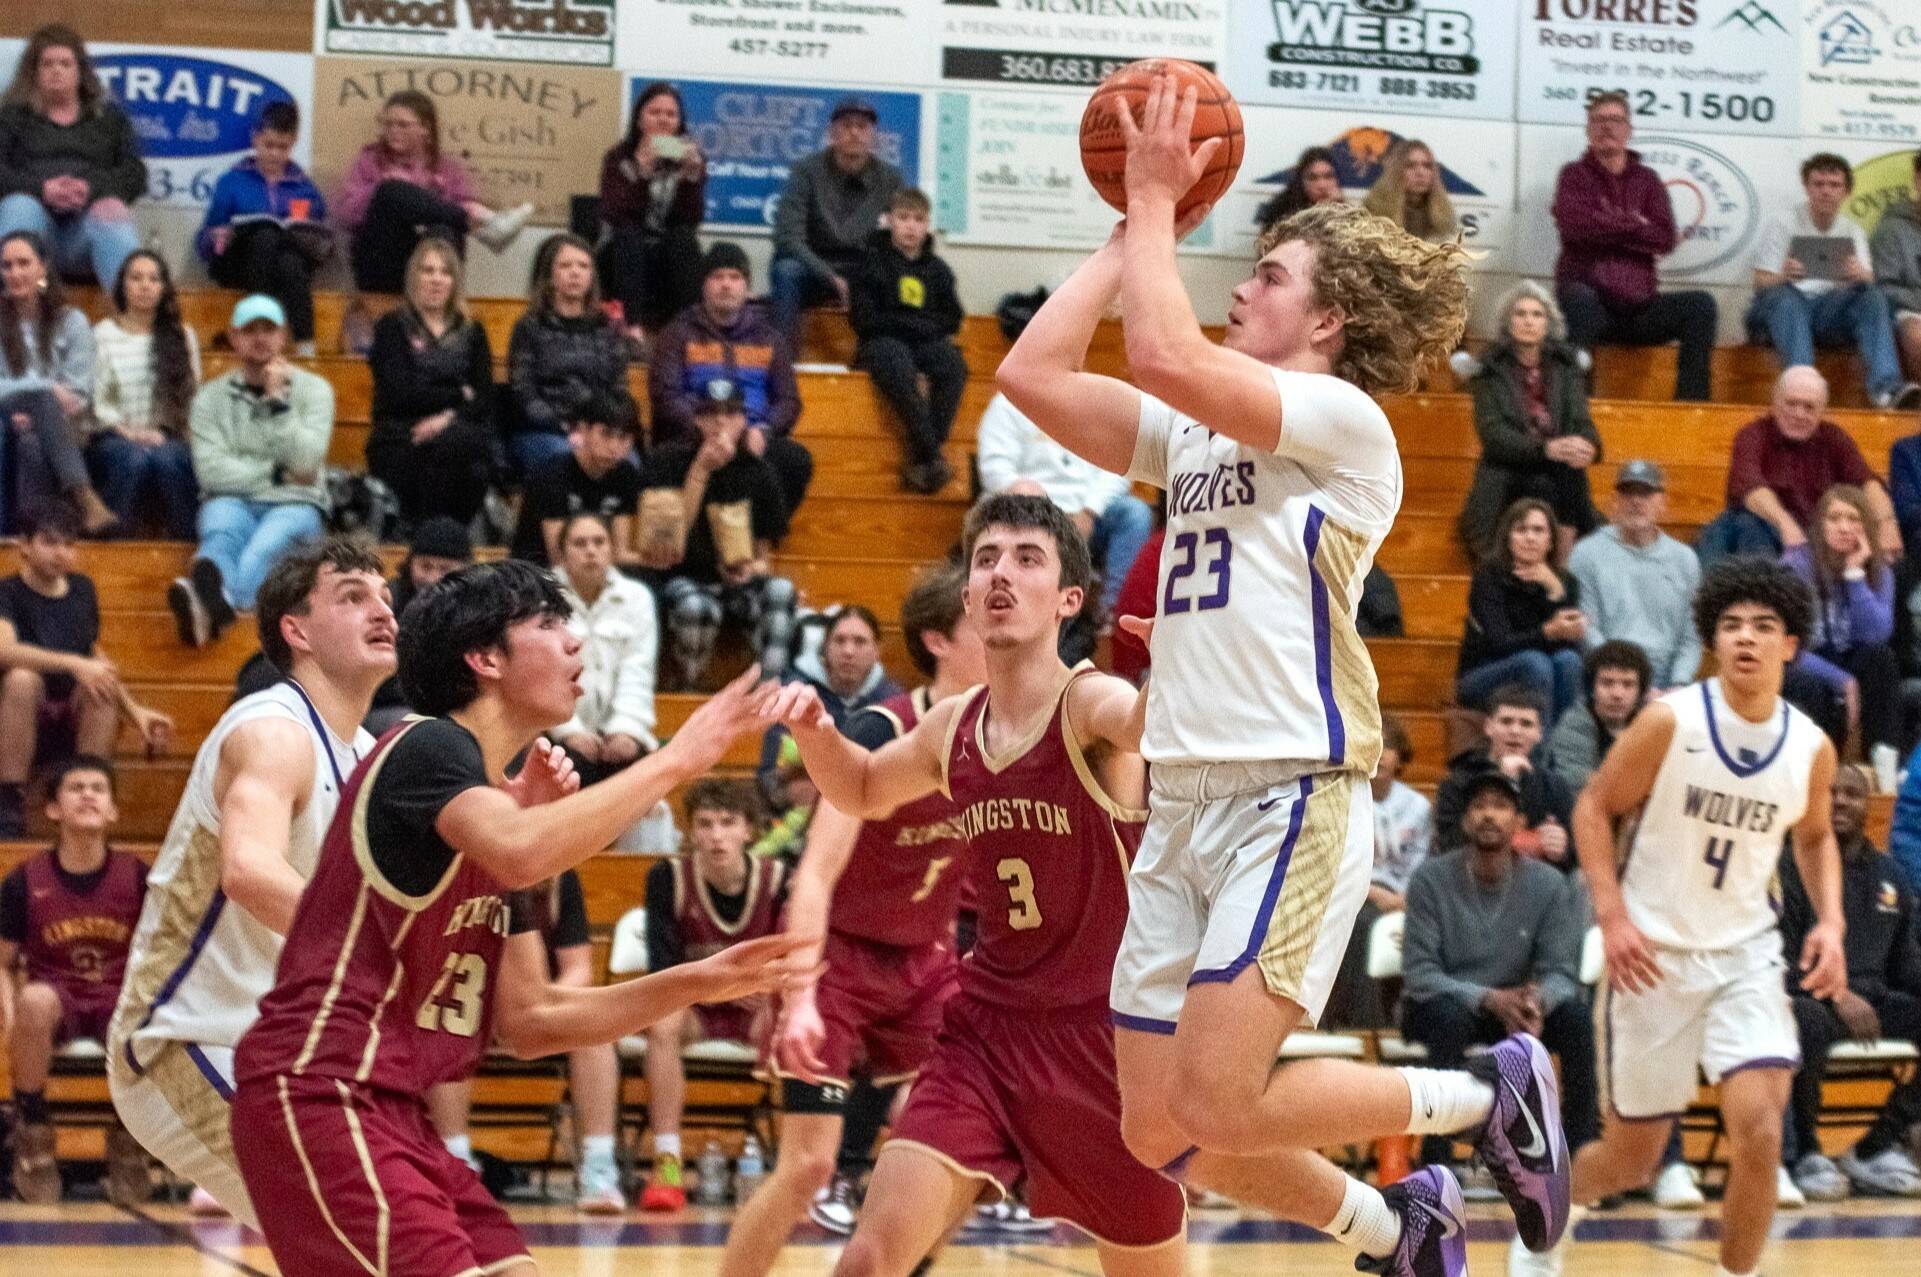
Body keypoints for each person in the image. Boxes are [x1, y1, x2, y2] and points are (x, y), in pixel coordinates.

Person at [999, 79, 1554, 1276]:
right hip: (1182, 799)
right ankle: (1393, 1224)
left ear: (1328, 320)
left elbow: (1159, 347)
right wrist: (1119, 230)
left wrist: (1157, 199)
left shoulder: (1343, 422)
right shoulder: (1198, 433)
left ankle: (1488, 1096)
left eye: (1271, 275)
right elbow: (1033, 378)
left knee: (1220, 1091)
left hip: (1288, 790)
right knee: (1155, 1126)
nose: (1243, 285)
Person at [224, 559, 799, 1275]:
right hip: (320, 1088)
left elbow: (533, 1018)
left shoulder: (492, 816)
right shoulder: (425, 745)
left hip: (397, 1111)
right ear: (485, 657)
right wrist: (676, 758)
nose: (575, 643)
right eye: (550, 624)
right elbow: (522, 849)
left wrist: (695, 979)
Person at [760, 493, 1189, 1276]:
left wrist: (1179, 663)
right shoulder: (952, 723)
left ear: (1069, 598)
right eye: (986, 558)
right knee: (867, 1259)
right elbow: (857, 787)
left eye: (1028, 559)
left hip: (1103, 1041)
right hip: (984, 1035)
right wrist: (815, 731)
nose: (1001, 573)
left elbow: (1145, 724)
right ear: (964, 593)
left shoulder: (1086, 701)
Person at [1509, 557, 1848, 1277]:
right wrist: (1612, 913)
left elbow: (1815, 836)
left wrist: (1830, 922)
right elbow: (1593, 806)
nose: (1745, 639)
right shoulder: (1671, 721)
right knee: (1630, 1156)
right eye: (1730, 625)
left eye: (1762, 626)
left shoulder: (1810, 746)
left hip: (1745, 954)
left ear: (1790, 643)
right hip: (1651, 956)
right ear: (1710, 639)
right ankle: (1545, 1207)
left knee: (1758, 1125)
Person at [108, 536, 394, 1222]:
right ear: (296, 630)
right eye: (353, 596)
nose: (383, 609)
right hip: (187, 1039)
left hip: (290, 1058)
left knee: (418, 1235)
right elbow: (249, 871)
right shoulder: (270, 731)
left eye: (385, 595)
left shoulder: (366, 756)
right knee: (361, 1231)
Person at [718, 563, 983, 1261]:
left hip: (925, 959)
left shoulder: (999, 730)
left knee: (970, 1153)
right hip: (837, 954)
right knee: (807, 1166)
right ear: (938, 641)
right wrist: (799, 996)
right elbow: (815, 874)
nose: (1002, 633)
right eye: (981, 623)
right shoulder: (878, 728)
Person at [1403, 771, 1598, 1176]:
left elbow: (1561, 972)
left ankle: (1579, 1161)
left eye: (1500, 806)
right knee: (1447, 1019)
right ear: (1464, 820)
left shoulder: (1550, 884)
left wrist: (1535, 1001)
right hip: (1446, 1007)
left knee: (1578, 1021)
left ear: (1519, 822)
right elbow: (1420, 974)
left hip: (1516, 1009)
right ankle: (1435, 1163)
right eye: (1479, 806)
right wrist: (1488, 998)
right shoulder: (1429, 880)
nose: (1489, 815)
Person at [424, 869, 627, 1212]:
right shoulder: (466, 872)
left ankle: (599, 1169)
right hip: (474, 1006)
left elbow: (579, 971)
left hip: (539, 1008)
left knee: (595, 1034)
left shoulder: (562, 880)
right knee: (447, 1023)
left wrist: (539, 1006)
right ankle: (454, 1164)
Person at [0, 755, 149, 1204]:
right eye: (76, 787)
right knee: (34, 1001)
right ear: (53, 809)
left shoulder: (140, 877)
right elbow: (3, 962)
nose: (88, 795)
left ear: (113, 811)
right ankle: (33, 1129)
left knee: (147, 1007)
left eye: (98, 789)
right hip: (57, 997)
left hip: (117, 995)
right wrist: (9, 1009)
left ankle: (131, 1141)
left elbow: (162, 955)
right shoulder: (24, 880)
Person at [636, 778, 789, 1211]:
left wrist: (769, 992)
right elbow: (662, 970)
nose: (716, 835)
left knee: (795, 1018)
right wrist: (724, 985)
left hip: (757, 1009)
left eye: (728, 823)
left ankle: (798, 1168)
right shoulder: (667, 878)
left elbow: (791, 956)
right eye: (705, 824)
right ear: (690, 831)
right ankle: (667, 1160)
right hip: (695, 1008)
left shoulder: (779, 878)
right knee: (661, 1022)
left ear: (749, 830)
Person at [1778, 763, 1921, 1201]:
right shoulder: (1792, 865)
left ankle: (1877, 1145)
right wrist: (1837, 994)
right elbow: (1780, 961)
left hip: (1875, 1000)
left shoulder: (1891, 876)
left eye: (1852, 794)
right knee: (1805, 1021)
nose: (1840, 800)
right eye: (1831, 792)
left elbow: (1908, 968)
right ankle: (1807, 1152)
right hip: (1811, 997)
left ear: (1869, 807)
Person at [167, 294, 331, 647]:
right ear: (234, 337)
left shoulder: (316, 391)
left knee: (262, 550)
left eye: (268, 329)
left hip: (296, 502)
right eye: (250, 330)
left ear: (283, 335)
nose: (260, 338)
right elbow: (211, 473)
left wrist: (279, 404)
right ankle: (215, 597)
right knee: (219, 535)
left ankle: (211, 599)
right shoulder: (209, 398)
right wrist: (275, 474)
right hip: (232, 499)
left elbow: (305, 463)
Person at [0, 504, 172, 836]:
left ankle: (89, 793)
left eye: (68, 544)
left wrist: (136, 712)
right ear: (24, 545)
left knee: (100, 690)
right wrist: (74, 663)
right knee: (22, 679)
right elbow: (4, 651)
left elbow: (93, 657)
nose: (60, 553)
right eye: (49, 542)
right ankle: (9, 801)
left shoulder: (81, 589)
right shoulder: (7, 591)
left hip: (72, 712)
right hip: (15, 713)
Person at [1552, 91, 1717, 403]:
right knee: (1579, 301)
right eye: (1599, 120)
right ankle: (1575, 412)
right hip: (1592, 304)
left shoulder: (1648, 180)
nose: (1607, 127)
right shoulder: (1573, 175)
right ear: (1588, 130)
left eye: (1616, 120)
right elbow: (1575, 229)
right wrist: (1635, 224)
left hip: (1639, 307)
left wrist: (1606, 223)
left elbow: (1664, 238)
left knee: (1701, 305)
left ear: (1629, 130)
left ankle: (1691, 407)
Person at [638, 380, 799, 688]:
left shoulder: (759, 472)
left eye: (730, 414)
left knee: (781, 590)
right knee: (696, 608)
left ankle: (769, 688)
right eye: (710, 414)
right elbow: (668, 542)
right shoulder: (667, 462)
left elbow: (765, 559)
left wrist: (749, 568)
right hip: (682, 576)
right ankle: (687, 691)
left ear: (742, 421)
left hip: (737, 584)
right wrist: (701, 469)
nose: (720, 422)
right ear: (696, 419)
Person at [650, 241, 814, 516]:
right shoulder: (677, 334)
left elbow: (788, 400)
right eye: (717, 277)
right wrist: (703, 428)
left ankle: (758, 541)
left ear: (747, 286)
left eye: (735, 277)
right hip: (694, 438)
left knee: (796, 460)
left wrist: (764, 430)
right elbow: (665, 395)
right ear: (704, 285)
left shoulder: (770, 337)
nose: (726, 284)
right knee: (663, 461)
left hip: (752, 438)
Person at [1749, 153, 1915, 409]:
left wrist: (1861, 275)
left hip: (1828, 312)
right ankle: (1803, 389)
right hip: (1783, 308)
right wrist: (1783, 275)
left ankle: (1886, 390)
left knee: (1872, 296)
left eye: (1834, 185)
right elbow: (1760, 283)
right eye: (1819, 184)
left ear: (1846, 191)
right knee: (1786, 298)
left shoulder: (1853, 230)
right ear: (1807, 188)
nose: (1826, 191)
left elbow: (1871, 280)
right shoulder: (1782, 223)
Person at [1456, 282, 1602, 563]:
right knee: (1552, 479)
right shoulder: (1489, 370)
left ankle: (1563, 566)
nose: (1528, 321)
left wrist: (1588, 446)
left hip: (1559, 470)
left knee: (1569, 471)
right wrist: (1546, 449)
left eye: (1537, 314)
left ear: (1548, 324)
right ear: (1508, 323)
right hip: (1508, 470)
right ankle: (1557, 567)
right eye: (1520, 314)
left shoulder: (1565, 366)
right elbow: (1494, 435)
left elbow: (1581, 420)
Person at [977, 391, 1156, 619]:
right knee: (1018, 499)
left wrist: (1090, 510)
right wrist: (1039, 508)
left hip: (1087, 515)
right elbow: (994, 468)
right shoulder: (1008, 404)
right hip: (1031, 513)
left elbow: (1119, 466)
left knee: (1135, 514)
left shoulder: (1097, 404)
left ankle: (1112, 612)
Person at [1697, 366, 1899, 565]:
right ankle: (1763, 594)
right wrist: (1786, 525)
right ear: (1775, 404)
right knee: (1746, 524)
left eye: (1809, 407)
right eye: (1791, 404)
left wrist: (1887, 523)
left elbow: (1867, 482)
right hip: (1763, 536)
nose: (1799, 414)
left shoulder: (1834, 438)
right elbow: (1749, 487)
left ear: (1822, 411)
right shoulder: (1753, 434)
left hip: (1818, 540)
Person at [338, 89, 532, 295]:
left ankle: (481, 223)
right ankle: (488, 226)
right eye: (388, 124)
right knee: (390, 192)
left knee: (444, 228)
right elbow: (346, 215)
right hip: (382, 265)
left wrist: (430, 199)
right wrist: (382, 188)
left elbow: (460, 210)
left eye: (402, 125)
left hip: (432, 268)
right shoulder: (369, 161)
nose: (393, 130)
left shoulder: (448, 168)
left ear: (426, 129)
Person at [0, 25, 143, 288]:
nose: (56, 70)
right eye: (47, 64)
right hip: (32, 228)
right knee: (19, 205)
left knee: (111, 209)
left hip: (87, 234)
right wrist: (40, 190)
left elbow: (135, 174)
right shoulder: (11, 118)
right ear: (34, 72)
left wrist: (90, 190)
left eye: (65, 64)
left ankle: (132, 322)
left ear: (80, 72)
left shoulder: (109, 120)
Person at [366, 238, 496, 528]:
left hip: (458, 431)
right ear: (414, 277)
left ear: (455, 280)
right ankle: (432, 539)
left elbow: (485, 397)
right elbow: (398, 394)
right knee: (454, 459)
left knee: (469, 454)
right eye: (428, 271)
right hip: (403, 432)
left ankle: (442, 540)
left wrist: (446, 418)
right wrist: (457, 395)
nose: (437, 280)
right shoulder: (392, 326)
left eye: (445, 272)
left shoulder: (473, 330)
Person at [849, 187, 968, 494]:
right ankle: (932, 455)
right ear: (889, 221)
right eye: (903, 218)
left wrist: (915, 326)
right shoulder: (870, 262)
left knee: (953, 364)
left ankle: (922, 457)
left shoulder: (938, 270)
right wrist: (913, 324)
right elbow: (863, 319)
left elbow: (953, 318)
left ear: (927, 224)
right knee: (896, 362)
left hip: (924, 343)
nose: (911, 226)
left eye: (918, 219)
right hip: (881, 342)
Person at [1782, 484, 1902, 780]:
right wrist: (1842, 680)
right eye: (1835, 518)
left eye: (1854, 519)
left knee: (1881, 659)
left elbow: (1876, 636)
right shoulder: (1794, 567)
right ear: (1820, 525)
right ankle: (1818, 773)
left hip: (1853, 656)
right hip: (1805, 660)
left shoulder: (1879, 571)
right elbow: (1785, 646)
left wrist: (1855, 575)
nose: (1845, 527)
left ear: (1866, 528)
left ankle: (1885, 768)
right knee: (1807, 684)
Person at [1324, 713, 1431, 1031]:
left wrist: (1404, 899)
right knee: (1362, 923)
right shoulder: (1340, 799)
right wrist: (1374, 893)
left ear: (1401, 757)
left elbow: (1423, 863)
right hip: (1354, 894)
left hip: (1405, 898)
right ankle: (1366, 1029)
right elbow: (1334, 864)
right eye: (1373, 743)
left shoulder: (1418, 807)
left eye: (1389, 746)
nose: (1381, 753)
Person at [1, 229, 112, 534]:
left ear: (42, 267)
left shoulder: (71, 321)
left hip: (63, 425)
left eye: (23, 263)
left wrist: (39, 409)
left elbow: (78, 394)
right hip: (5, 415)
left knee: (33, 442)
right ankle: (83, 496)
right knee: (42, 399)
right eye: (7, 266)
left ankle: (38, 536)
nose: (15, 273)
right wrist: (44, 390)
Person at [197, 101, 329, 355]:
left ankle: (306, 346)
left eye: (283, 147)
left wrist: (308, 234)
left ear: (293, 143)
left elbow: (321, 235)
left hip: (286, 267)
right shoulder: (232, 180)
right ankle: (259, 327)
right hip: (238, 264)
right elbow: (208, 236)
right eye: (269, 145)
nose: (275, 154)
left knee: (290, 262)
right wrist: (218, 239)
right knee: (265, 236)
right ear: (255, 139)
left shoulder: (303, 187)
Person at [769, 97, 904, 343]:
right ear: (832, 133)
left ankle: (877, 358)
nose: (854, 132)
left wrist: (863, 278)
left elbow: (895, 240)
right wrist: (830, 276)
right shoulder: (805, 170)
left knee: (894, 275)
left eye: (862, 127)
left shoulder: (890, 179)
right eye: (846, 125)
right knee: (786, 271)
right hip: (812, 265)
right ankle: (783, 364)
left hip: (861, 268)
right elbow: (787, 238)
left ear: (873, 136)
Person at [87, 249, 200, 538]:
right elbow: (97, 403)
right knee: (134, 458)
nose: (145, 285)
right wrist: (129, 432)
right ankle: (113, 548)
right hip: (113, 436)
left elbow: (191, 398)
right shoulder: (102, 334)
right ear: (123, 285)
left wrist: (163, 431)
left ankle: (185, 546)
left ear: (163, 288)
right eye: (136, 278)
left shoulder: (183, 336)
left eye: (154, 279)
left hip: (169, 436)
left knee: (168, 460)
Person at [1566, 460, 1702, 691]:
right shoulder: (1586, 553)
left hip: (1666, 679)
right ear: (1614, 502)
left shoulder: (1685, 559)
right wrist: (1626, 680)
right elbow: (1585, 628)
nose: (1636, 501)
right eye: (1627, 492)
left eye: (1646, 493)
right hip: (1608, 677)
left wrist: (1679, 684)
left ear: (1663, 503)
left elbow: (1692, 634)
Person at [506, 232, 631, 475]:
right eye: (565, 265)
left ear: (592, 277)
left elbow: (619, 389)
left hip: (600, 430)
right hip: (544, 431)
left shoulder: (608, 327)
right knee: (568, 460)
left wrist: (601, 433)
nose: (575, 272)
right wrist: (568, 430)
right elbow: (524, 393)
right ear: (550, 277)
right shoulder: (529, 327)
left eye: (583, 266)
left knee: (629, 465)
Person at [756, 605, 900, 810]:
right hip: (795, 818)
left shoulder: (893, 703)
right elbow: (768, 775)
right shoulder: (795, 694)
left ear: (877, 650)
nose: (848, 651)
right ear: (825, 646)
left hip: (871, 820)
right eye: (839, 640)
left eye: (860, 642)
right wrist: (787, 793)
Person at [1457, 498, 1588, 722]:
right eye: (1521, 530)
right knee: (1534, 662)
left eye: (1538, 530)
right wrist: (1547, 632)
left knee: (1569, 662)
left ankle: (1562, 747)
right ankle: (1539, 752)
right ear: (1508, 538)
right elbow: (1500, 644)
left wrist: (1555, 592)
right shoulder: (1488, 578)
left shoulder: (1565, 582)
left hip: (1545, 668)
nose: (1530, 537)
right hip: (1484, 672)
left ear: (1550, 541)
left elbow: (1570, 644)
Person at [553, 512, 659, 786]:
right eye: (580, 543)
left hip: (617, 729)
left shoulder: (637, 598)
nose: (591, 550)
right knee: (567, 770)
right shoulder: (542, 598)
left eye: (599, 542)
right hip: (557, 731)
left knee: (638, 774)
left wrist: (626, 729)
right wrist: (569, 731)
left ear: (611, 550)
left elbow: (639, 669)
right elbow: (540, 676)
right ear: (562, 555)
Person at [598, 81, 706, 341]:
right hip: (621, 252)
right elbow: (616, 213)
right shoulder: (619, 158)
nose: (663, 120)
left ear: (680, 123)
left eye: (671, 115)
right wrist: (642, 171)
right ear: (639, 119)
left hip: (667, 253)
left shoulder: (686, 157)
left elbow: (690, 220)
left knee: (683, 239)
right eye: (655, 113)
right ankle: (631, 327)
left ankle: (689, 331)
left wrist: (691, 178)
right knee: (629, 234)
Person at [1433, 684, 1576, 863]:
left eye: (1526, 724)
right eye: (1506, 721)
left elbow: (1576, 853)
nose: (1515, 731)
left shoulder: (1554, 786)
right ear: (1488, 727)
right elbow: (1449, 847)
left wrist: (1562, 849)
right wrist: (1503, 780)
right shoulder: (1458, 782)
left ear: (1539, 734)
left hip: (1537, 885)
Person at [509, 389, 642, 567]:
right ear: (583, 429)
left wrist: (653, 560)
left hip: (595, 571)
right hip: (539, 576)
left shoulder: (625, 475)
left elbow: (619, 553)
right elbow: (561, 560)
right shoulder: (552, 475)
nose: (614, 447)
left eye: (623, 437)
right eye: (606, 434)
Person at [1547, 640, 1651, 794]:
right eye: (1607, 683)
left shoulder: (1650, 725)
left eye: (1628, 685)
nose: (1617, 694)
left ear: (1640, 693)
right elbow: (1578, 789)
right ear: (1592, 689)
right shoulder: (1573, 726)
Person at [1870, 150, 1921, 389]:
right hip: (1908, 311)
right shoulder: (1890, 229)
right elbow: (1883, 286)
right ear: (1917, 180)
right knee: (1917, 336)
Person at [1363, 139, 1456, 243]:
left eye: (1427, 166)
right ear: (1396, 171)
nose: (1420, 173)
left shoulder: (1443, 214)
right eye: (1410, 166)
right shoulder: (1375, 211)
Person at [1253, 145, 1341, 229]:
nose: (1322, 185)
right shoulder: (1281, 212)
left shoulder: (1343, 211)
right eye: (1312, 178)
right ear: (1301, 181)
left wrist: (1338, 208)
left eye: (1328, 176)